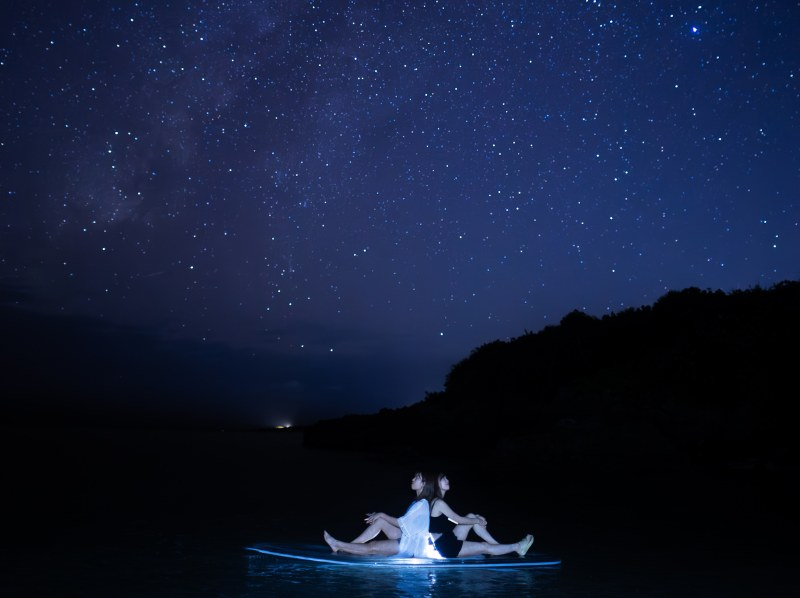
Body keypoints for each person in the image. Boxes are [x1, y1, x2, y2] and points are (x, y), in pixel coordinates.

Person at [323, 472, 435, 557]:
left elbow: (401, 522)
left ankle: (337, 544)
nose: (413, 479)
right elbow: (405, 523)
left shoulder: (422, 504)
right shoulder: (418, 502)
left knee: (373, 546)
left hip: (412, 546)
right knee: (381, 521)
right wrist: (379, 516)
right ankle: (349, 546)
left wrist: (381, 514)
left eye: (417, 478)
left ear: (423, 484)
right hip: (408, 537)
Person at [430, 472, 534, 558]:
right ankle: (517, 547)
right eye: (443, 479)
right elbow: (459, 520)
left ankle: (497, 547)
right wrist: (478, 521)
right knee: (484, 546)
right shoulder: (439, 503)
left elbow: (450, 520)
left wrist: (475, 518)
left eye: (446, 478)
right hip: (447, 547)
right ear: (435, 484)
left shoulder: (437, 501)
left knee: (470, 516)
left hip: (447, 540)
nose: (447, 480)